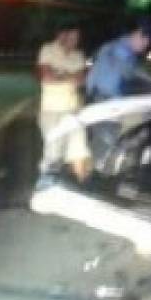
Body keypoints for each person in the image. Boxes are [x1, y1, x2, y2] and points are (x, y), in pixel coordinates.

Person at [37, 22, 90, 182]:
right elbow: (46, 76)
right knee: (53, 150)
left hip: (73, 110)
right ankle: (45, 184)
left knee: (79, 148)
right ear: (62, 35)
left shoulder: (79, 55)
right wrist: (70, 76)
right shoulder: (48, 50)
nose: (75, 41)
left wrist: (59, 73)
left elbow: (81, 80)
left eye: (77, 38)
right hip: (50, 110)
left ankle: (83, 186)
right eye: (72, 37)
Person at [83, 17, 151, 102]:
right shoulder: (117, 49)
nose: (145, 45)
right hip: (100, 100)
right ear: (136, 34)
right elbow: (131, 72)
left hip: (110, 99)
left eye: (148, 41)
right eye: (144, 39)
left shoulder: (128, 51)